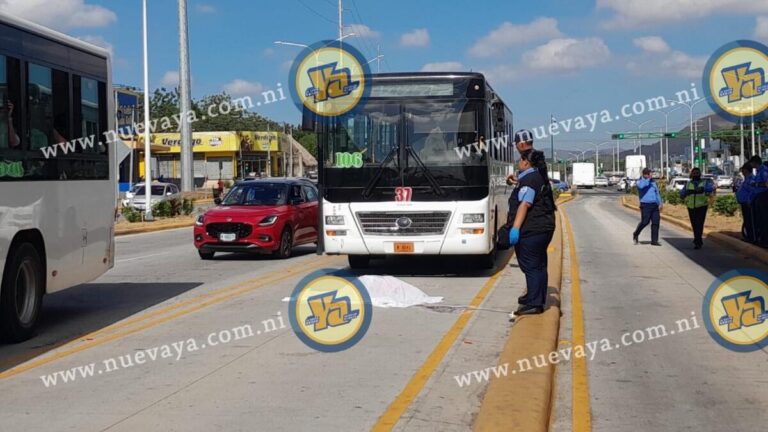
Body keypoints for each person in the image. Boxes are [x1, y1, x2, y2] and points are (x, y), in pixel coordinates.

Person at [507, 150, 556, 319]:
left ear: (526, 162)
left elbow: (524, 204)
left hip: (533, 229)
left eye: (521, 159)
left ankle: (535, 304)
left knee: (531, 265)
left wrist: (515, 228)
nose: (519, 162)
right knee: (539, 264)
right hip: (544, 228)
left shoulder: (529, 180)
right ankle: (536, 296)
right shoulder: (536, 177)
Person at [679, 167, 714, 249]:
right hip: (691, 207)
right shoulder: (688, 184)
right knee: (694, 224)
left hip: (702, 206)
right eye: (694, 173)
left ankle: (698, 240)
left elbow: (711, 188)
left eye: (697, 173)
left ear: (700, 174)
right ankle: (697, 239)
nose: (695, 175)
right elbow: (681, 194)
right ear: (691, 174)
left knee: (700, 224)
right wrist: (687, 192)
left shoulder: (704, 183)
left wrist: (703, 189)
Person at [633, 168, 663, 246]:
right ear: (644, 174)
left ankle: (654, 240)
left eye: (650, 174)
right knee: (645, 222)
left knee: (656, 222)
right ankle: (636, 233)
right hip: (645, 205)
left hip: (654, 205)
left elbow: (657, 193)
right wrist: (648, 180)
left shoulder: (653, 182)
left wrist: (660, 203)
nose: (650, 175)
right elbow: (642, 186)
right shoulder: (640, 181)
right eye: (649, 174)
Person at [736, 163, 756, 243]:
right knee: (747, 221)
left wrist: (749, 200)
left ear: (746, 170)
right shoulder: (746, 179)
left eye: (743, 170)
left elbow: (752, 191)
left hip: (748, 204)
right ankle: (748, 236)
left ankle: (751, 238)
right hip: (744, 204)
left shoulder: (751, 179)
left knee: (750, 221)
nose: (742, 172)